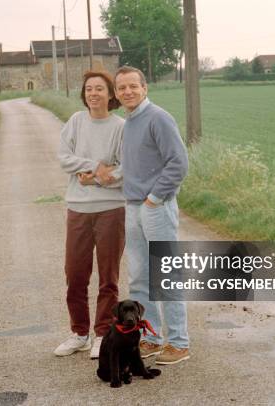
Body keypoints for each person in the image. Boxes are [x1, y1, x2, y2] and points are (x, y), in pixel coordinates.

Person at [114, 65, 190, 365]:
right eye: (122, 88)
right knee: (138, 278)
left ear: (145, 88)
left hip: (155, 207)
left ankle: (180, 344)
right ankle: (152, 337)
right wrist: (109, 176)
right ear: (117, 94)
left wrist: (154, 199)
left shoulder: (158, 117)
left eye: (133, 86)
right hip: (132, 207)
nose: (128, 91)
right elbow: (136, 166)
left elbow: (178, 163)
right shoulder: (129, 122)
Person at [54, 71, 125, 359]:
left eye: (99, 89)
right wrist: (97, 167)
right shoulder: (75, 121)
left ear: (111, 95)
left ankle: (102, 334)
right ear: (83, 94)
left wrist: (94, 179)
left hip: (111, 209)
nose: (93, 94)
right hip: (78, 209)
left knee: (108, 277)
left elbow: (124, 170)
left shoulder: (121, 127)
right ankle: (79, 333)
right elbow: (64, 157)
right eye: (88, 89)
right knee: (75, 274)